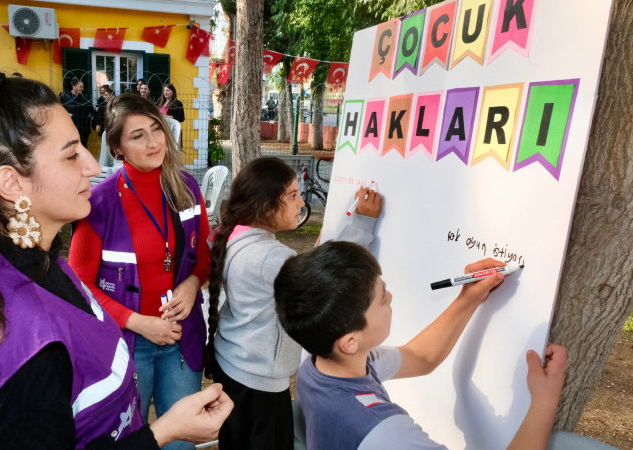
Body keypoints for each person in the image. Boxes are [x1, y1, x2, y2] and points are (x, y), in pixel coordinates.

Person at [0, 62, 231, 450]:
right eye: (72, 156)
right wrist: (162, 432)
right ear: (12, 182)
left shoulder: (33, 266)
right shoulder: (17, 343)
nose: (92, 167)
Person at [274, 241, 569, 450]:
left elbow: (420, 356)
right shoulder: (386, 433)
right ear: (350, 342)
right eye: (382, 299)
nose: (390, 299)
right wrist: (544, 400)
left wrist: (468, 298)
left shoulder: (318, 369)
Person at [204, 156, 382, 450]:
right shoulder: (270, 256)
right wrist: (362, 222)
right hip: (257, 381)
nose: (301, 203)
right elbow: (331, 279)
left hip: (234, 364)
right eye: (292, 195)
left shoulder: (234, 236)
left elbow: (301, 271)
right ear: (265, 204)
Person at [69, 93, 212, 450]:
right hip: (126, 344)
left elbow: (204, 257)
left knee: (180, 442)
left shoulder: (187, 188)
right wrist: (136, 321)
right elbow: (80, 283)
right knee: (133, 442)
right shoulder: (99, 202)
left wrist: (193, 284)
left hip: (181, 337)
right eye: (138, 136)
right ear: (117, 148)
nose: (153, 142)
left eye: (156, 129)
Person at [59, 77, 94, 148]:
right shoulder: (64, 96)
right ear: (74, 86)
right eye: (80, 87)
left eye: (83, 87)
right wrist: (65, 114)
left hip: (83, 129)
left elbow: (91, 110)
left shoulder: (84, 98)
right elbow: (58, 109)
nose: (82, 89)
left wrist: (89, 117)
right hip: (70, 128)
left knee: (83, 148)